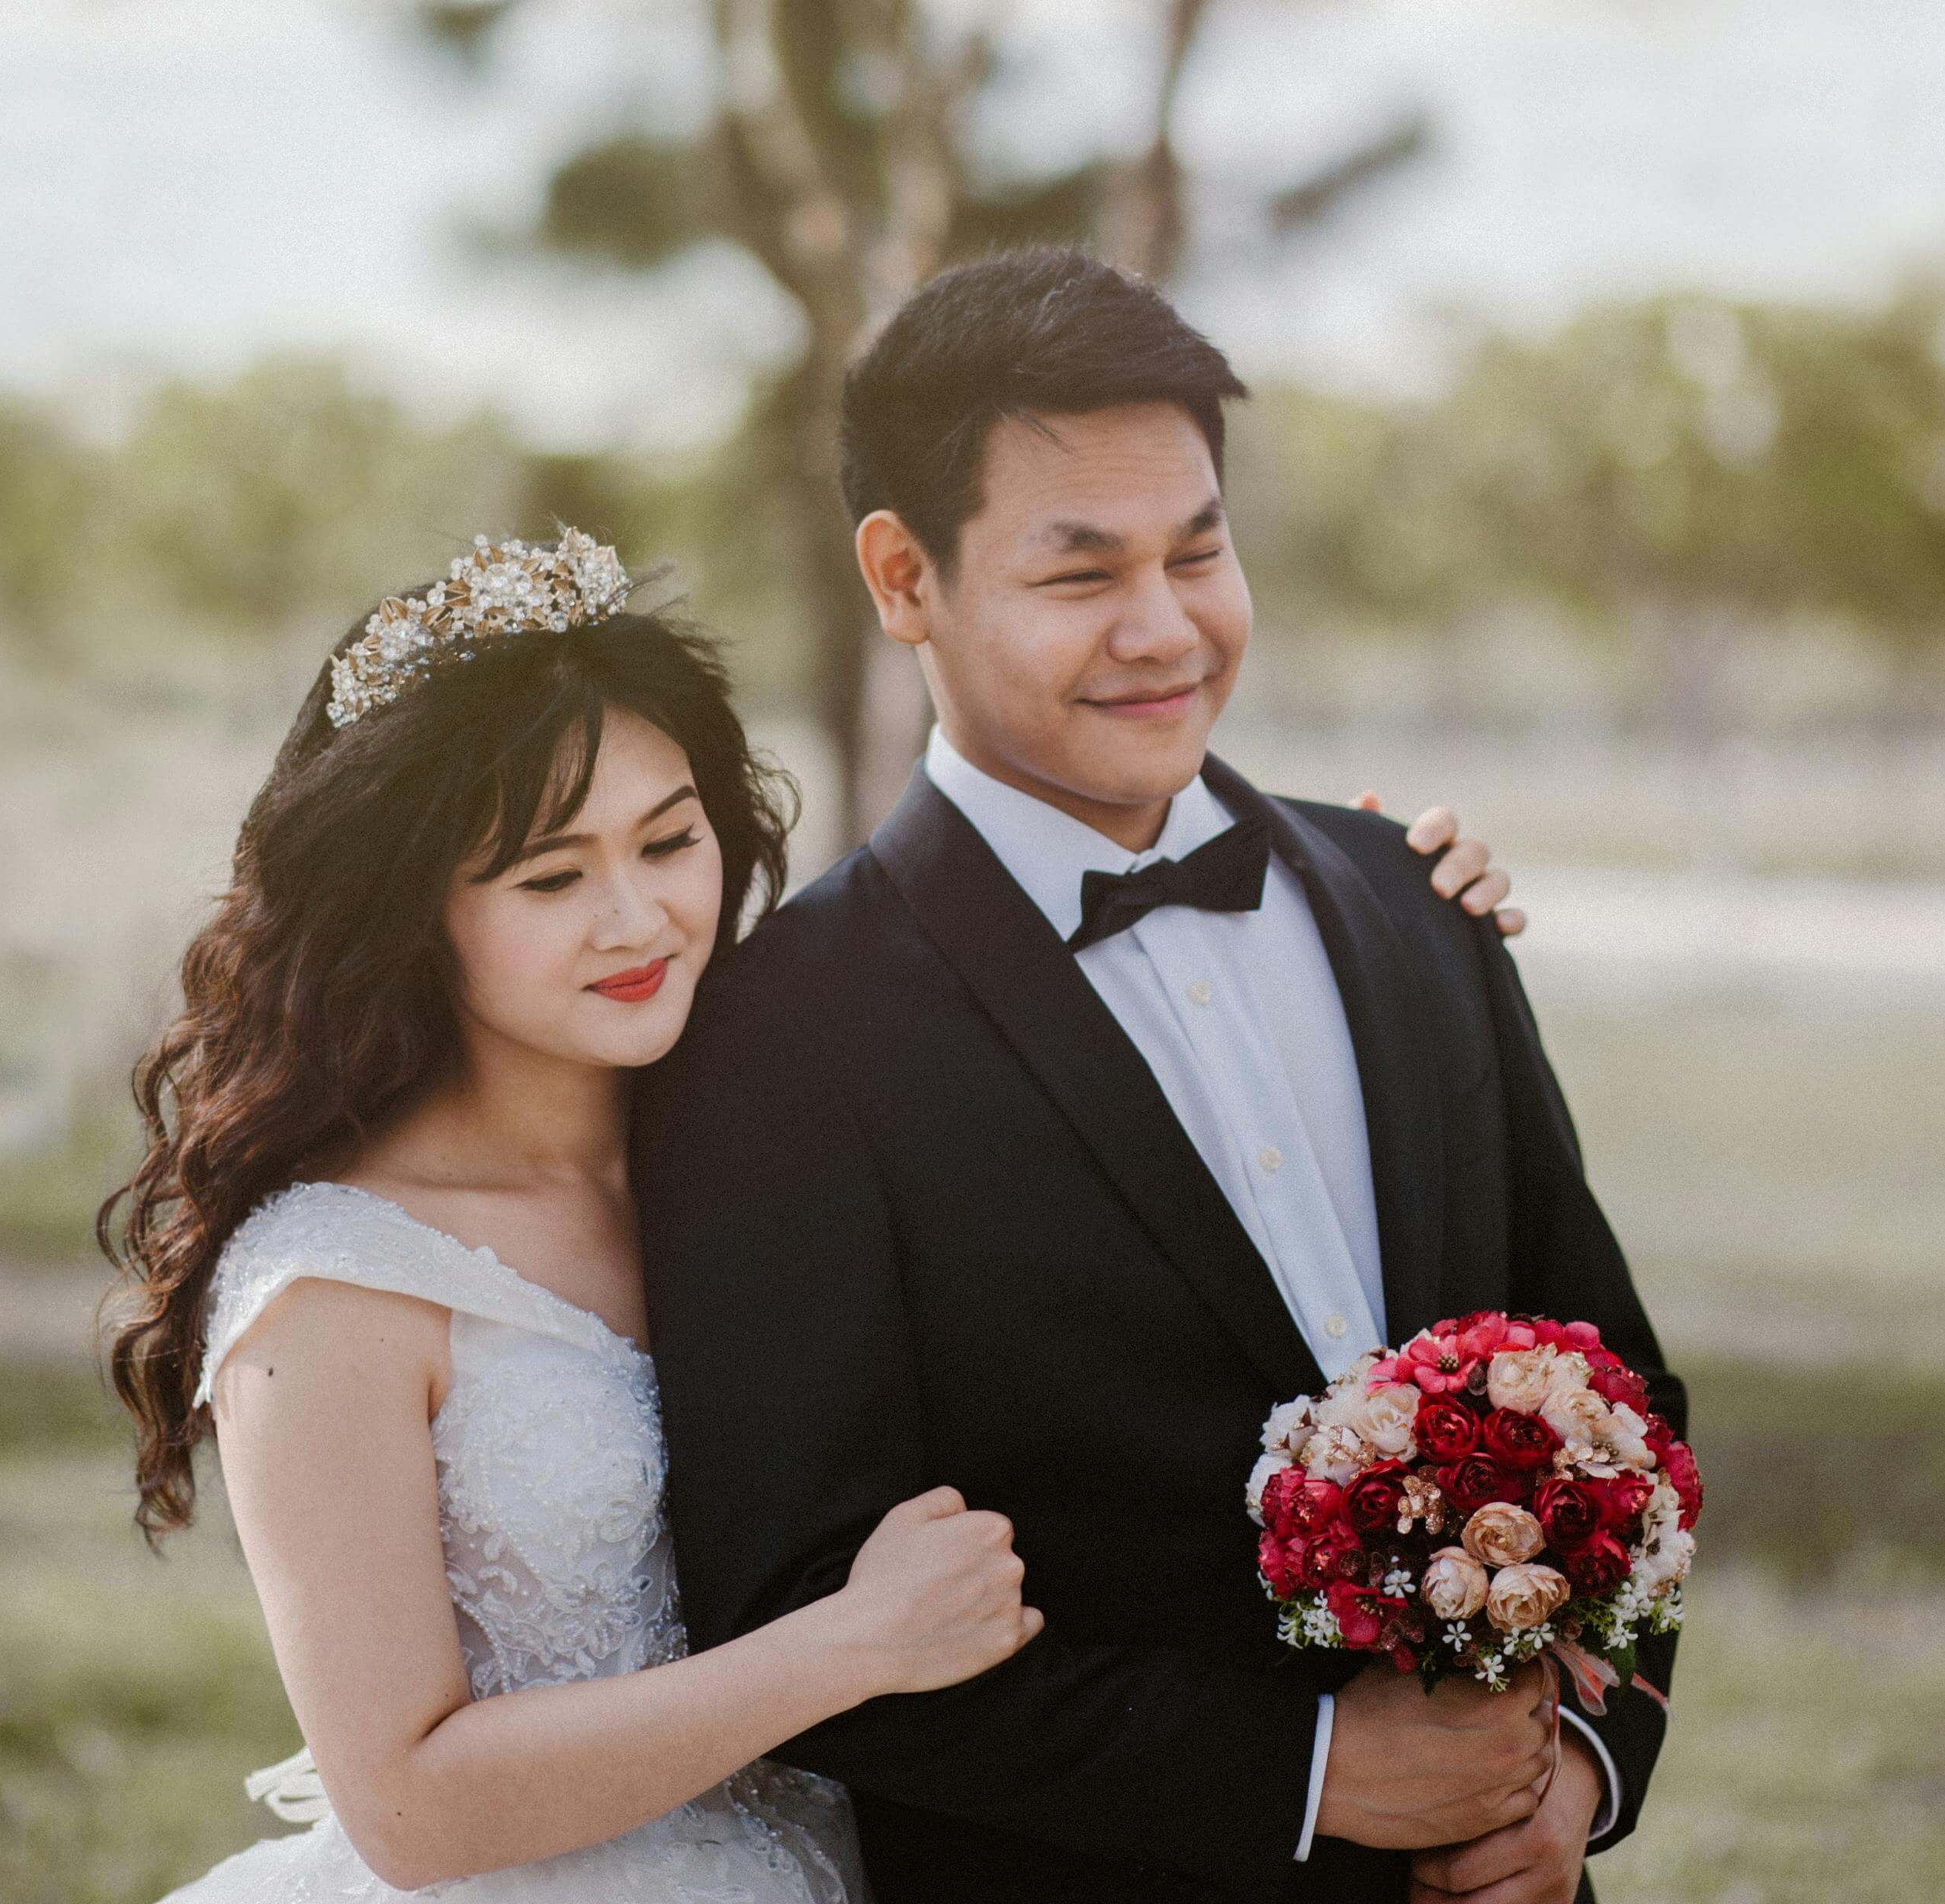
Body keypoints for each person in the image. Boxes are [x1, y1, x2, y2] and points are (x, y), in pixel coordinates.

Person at [101, 525, 1531, 1901]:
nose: (635, 919)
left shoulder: (785, 1128)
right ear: (407, 915)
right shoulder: (338, 1276)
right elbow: (408, 1808)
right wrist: (843, 1648)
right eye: (550, 878)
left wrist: (1390, 895)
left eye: (667, 843)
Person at [632, 250, 1685, 1904]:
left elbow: (1614, 1394)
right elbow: (797, 1608)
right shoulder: (779, 1036)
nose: (1163, 627)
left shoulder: (1416, 908)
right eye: (1079, 574)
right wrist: (1315, 1776)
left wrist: (1576, 1767)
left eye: (1197, 549)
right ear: (903, 578)